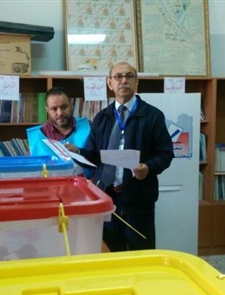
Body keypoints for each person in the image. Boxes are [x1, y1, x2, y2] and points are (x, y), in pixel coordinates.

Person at [66, 62, 174, 251]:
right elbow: (93, 155)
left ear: (136, 82)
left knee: (141, 254)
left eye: (129, 76)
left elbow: (165, 154)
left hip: (137, 200)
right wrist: (78, 152)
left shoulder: (152, 116)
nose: (123, 80)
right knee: (112, 254)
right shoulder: (102, 117)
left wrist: (148, 168)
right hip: (107, 198)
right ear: (110, 83)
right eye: (118, 77)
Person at [26, 86, 91, 176]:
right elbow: (31, 173)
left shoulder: (89, 128)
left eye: (64, 107)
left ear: (71, 105)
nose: (60, 113)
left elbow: (100, 161)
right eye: (54, 109)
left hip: (84, 187)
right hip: (49, 189)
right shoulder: (36, 138)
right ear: (47, 110)